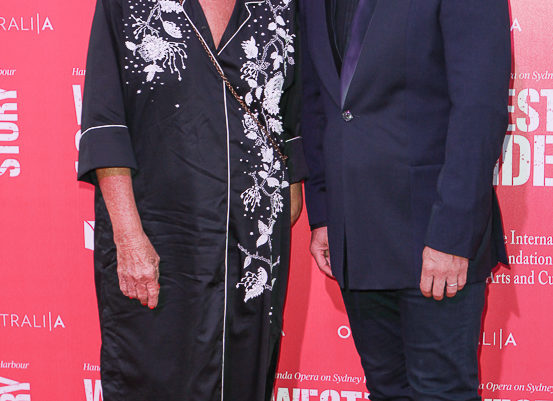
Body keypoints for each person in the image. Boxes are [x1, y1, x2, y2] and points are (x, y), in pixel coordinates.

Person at [77, 0, 307, 400]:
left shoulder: (282, 5)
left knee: (244, 378)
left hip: (252, 244)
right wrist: (128, 237)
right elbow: (104, 120)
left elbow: (292, 114)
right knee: (154, 377)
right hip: (158, 235)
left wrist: (284, 198)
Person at [301, 0, 511, 400]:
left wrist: (452, 234)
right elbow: (315, 102)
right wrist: (324, 213)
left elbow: (479, 111)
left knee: (441, 393)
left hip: (433, 231)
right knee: (385, 390)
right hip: (354, 231)